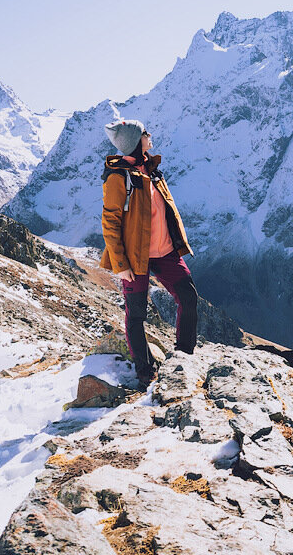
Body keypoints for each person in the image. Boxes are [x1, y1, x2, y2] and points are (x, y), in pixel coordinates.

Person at [99, 118, 200, 389]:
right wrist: (120, 263)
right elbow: (110, 221)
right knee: (136, 315)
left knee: (189, 297)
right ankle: (146, 372)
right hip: (134, 257)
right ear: (135, 142)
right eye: (145, 133)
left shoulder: (152, 168)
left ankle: (184, 355)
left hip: (165, 251)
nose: (150, 135)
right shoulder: (118, 176)